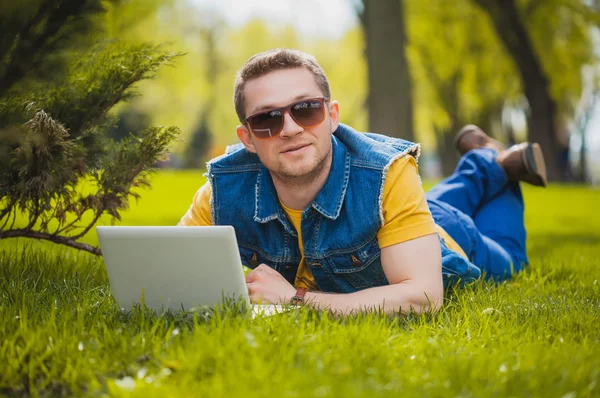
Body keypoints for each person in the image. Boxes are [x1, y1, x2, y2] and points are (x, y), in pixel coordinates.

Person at [178, 48, 547, 315]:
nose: (290, 129)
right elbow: (172, 267)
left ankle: (496, 164)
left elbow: (424, 298)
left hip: (445, 237)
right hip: (400, 217)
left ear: (332, 116)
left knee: (513, 259)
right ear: (247, 139)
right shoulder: (222, 192)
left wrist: (295, 299)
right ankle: (484, 158)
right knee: (420, 197)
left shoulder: (388, 172)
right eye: (267, 120)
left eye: (305, 109)